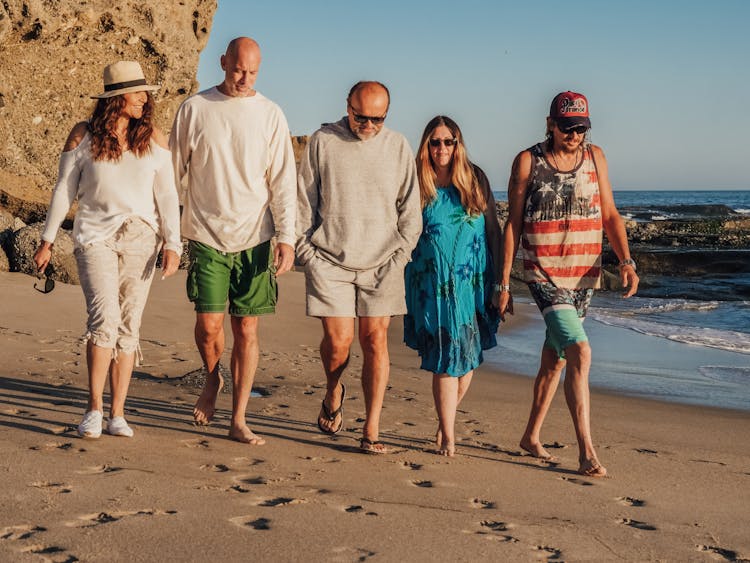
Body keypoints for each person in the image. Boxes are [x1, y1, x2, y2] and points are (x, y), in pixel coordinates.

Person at [33, 61, 182, 439]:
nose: (145, 99)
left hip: (142, 239)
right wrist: (48, 240)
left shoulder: (155, 140)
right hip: (95, 237)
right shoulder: (83, 136)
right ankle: (94, 409)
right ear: (117, 97)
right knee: (105, 320)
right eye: (137, 93)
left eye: (145, 92)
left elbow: (167, 196)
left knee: (129, 328)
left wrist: (173, 243)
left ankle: (118, 413)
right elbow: (64, 190)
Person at [499, 91, 639, 477]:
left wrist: (626, 262)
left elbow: (609, 213)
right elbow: (513, 224)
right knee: (580, 351)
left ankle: (530, 436)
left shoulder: (596, 158)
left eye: (581, 127)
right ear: (550, 123)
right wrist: (503, 283)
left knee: (556, 357)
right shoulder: (528, 161)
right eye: (567, 127)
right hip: (544, 273)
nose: (575, 135)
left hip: (584, 275)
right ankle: (586, 451)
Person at [169, 37, 296, 445]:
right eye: (238, 69)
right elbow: (172, 174)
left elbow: (283, 183)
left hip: (255, 238)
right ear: (223, 62)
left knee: (247, 328)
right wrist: (169, 234)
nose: (244, 78)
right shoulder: (195, 108)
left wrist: (287, 237)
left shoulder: (271, 115)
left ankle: (239, 418)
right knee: (208, 327)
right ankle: (212, 378)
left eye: (252, 72)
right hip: (205, 234)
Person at [297, 81, 422, 454]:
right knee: (338, 345)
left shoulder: (398, 146)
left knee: (375, 341)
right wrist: (307, 254)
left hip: (383, 263)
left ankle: (371, 429)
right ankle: (333, 390)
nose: (368, 125)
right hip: (329, 262)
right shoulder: (323, 141)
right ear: (347, 107)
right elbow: (305, 199)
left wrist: (400, 255)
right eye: (360, 117)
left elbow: (410, 211)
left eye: (377, 119)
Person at [404, 116, 502, 457]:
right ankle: (448, 434)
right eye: (435, 142)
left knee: (468, 359)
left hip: (473, 284)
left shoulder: (475, 179)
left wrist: (502, 283)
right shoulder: (417, 183)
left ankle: (445, 418)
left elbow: (493, 232)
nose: (441, 148)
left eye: (448, 141)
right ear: (426, 147)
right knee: (446, 358)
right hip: (434, 286)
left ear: (457, 145)